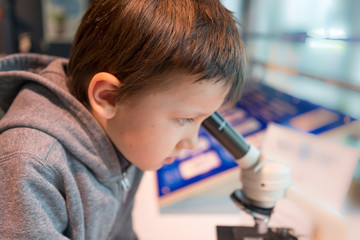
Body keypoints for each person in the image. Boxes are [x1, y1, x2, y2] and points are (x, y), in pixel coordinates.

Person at [0, 0, 245, 239]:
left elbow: (119, 230)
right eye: (185, 119)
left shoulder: (126, 135)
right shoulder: (31, 167)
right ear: (108, 97)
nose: (192, 142)